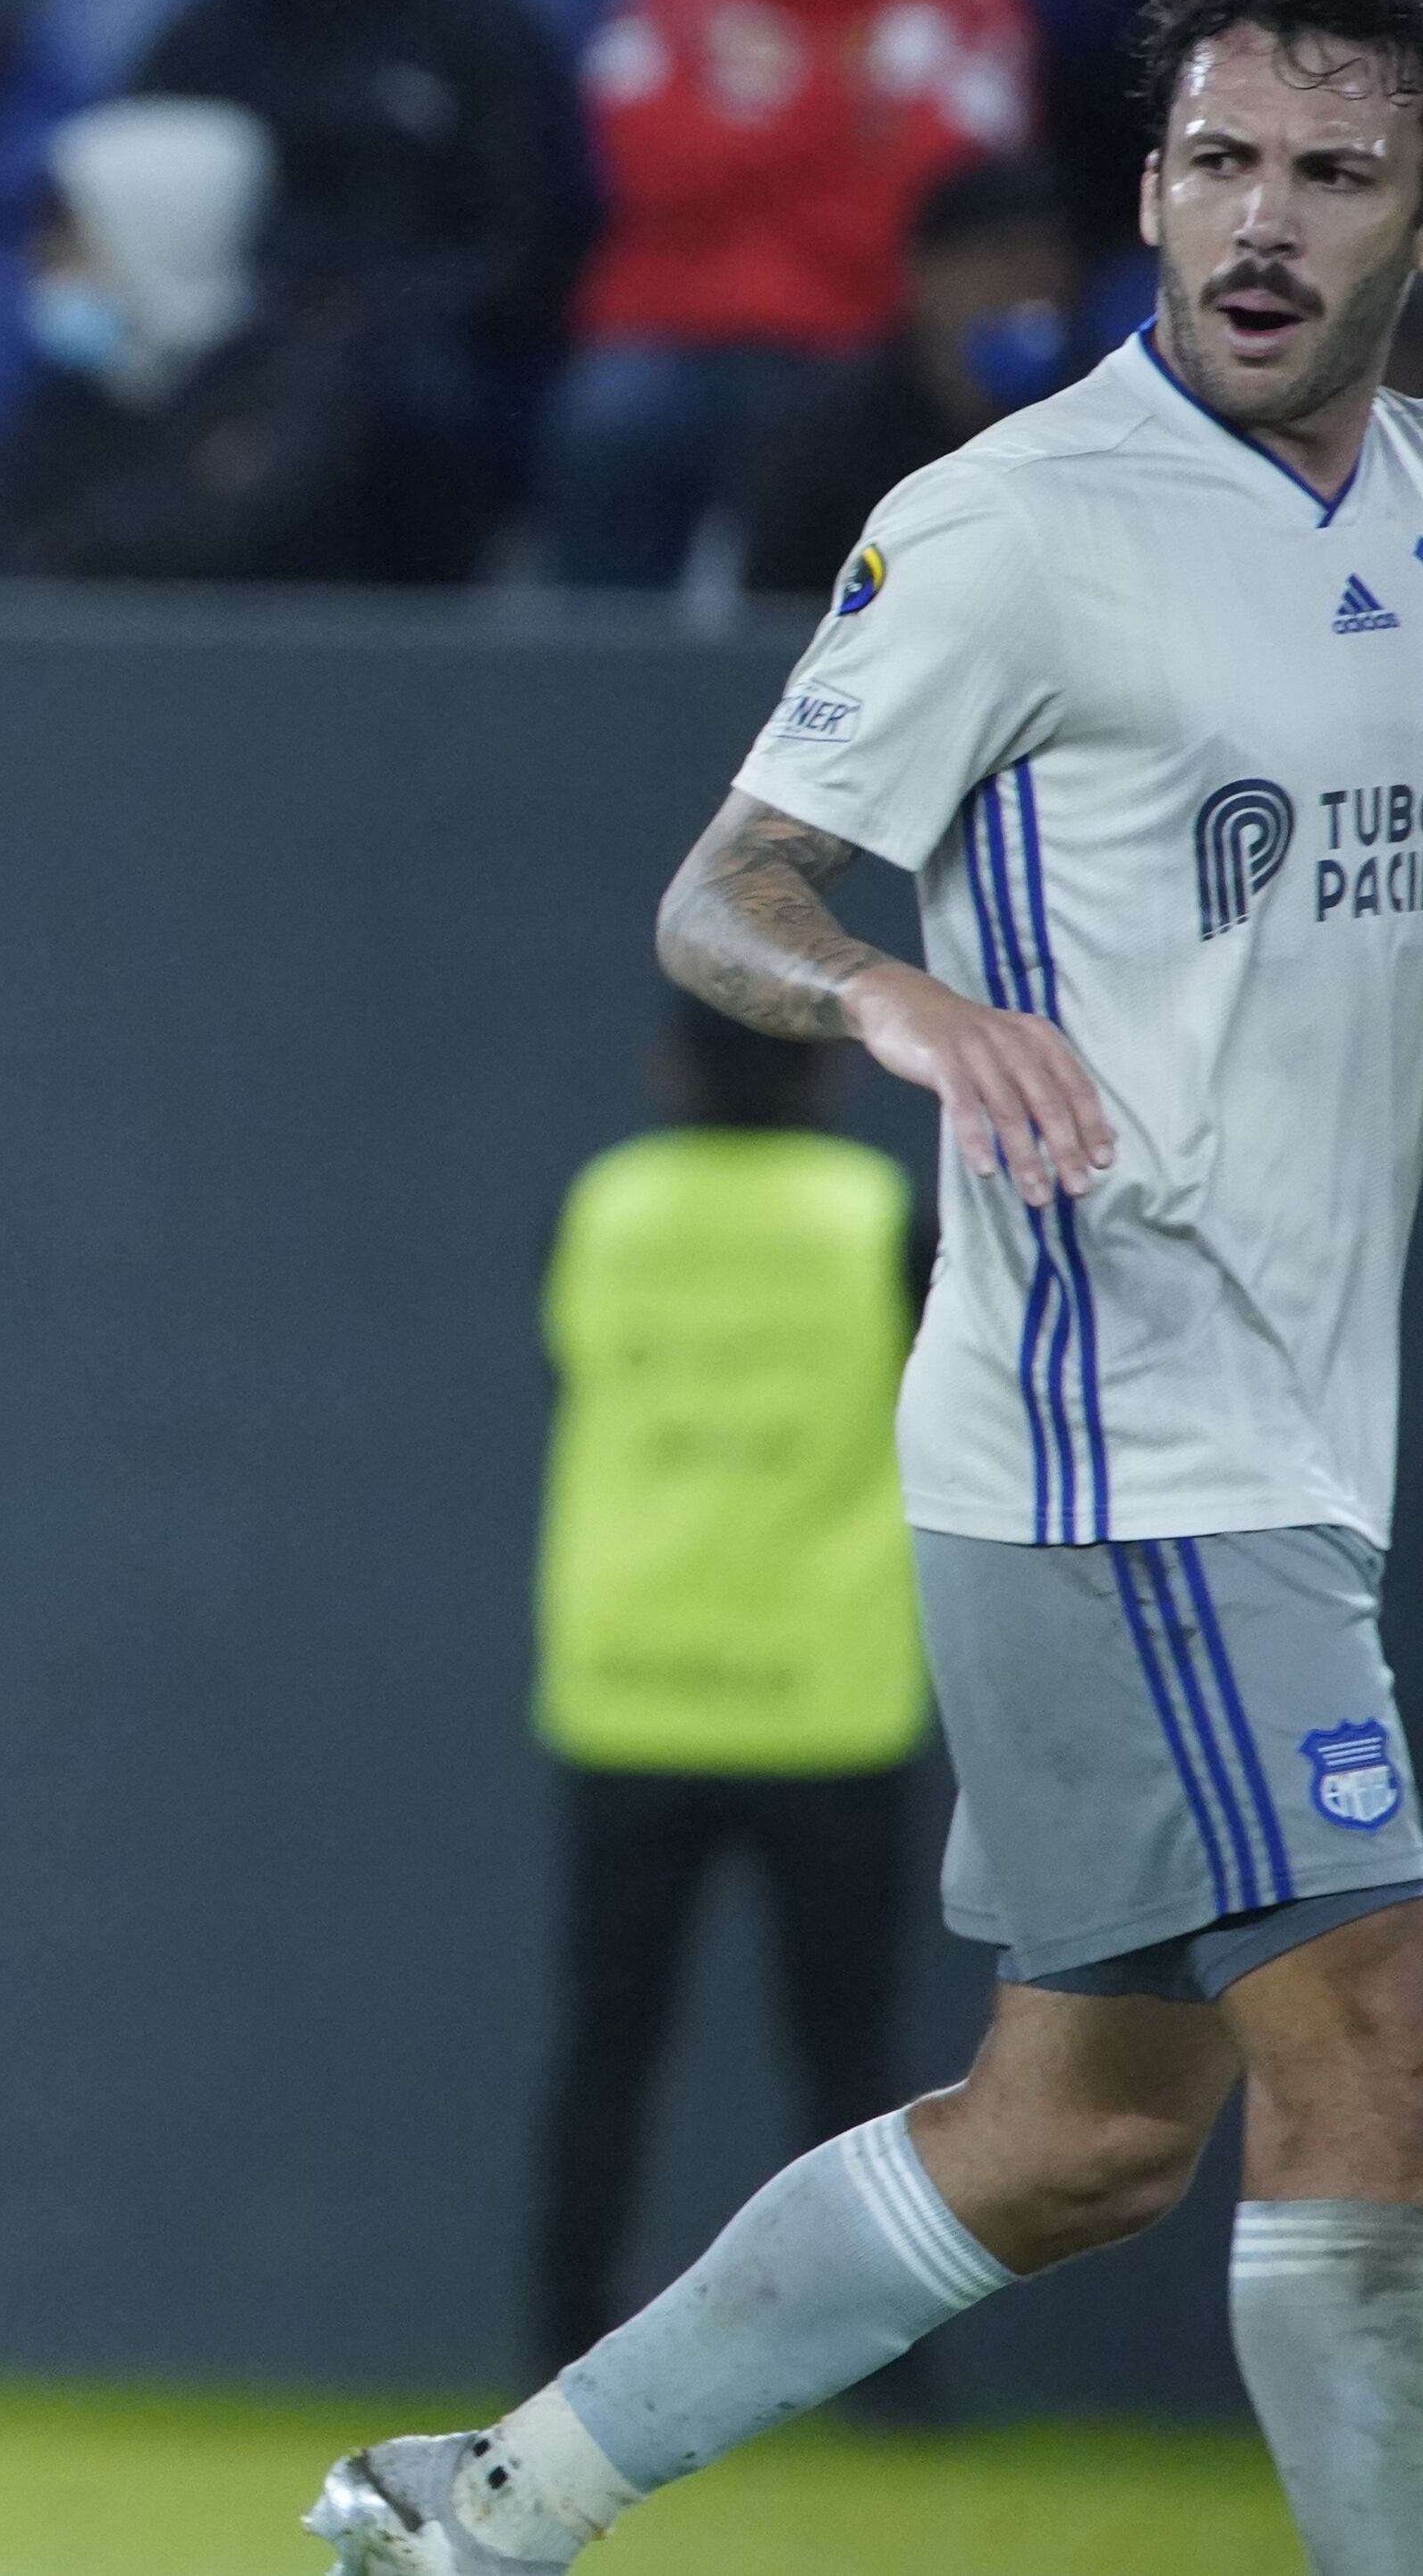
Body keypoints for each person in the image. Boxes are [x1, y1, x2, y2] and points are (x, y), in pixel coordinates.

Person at [309, 0, 1423, 2575]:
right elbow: (723, 892)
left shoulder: (1405, 511)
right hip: (1121, 1435)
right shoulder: (1010, 521)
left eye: (1332, 173)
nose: (1262, 223)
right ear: (1144, 192)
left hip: (1287, 1441)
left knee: (1075, 2140)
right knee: (1375, 2044)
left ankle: (495, 2502)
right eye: (1217, 164)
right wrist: (890, 994)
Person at [523, 998, 932, 2384]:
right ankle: (881, 2378)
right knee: (848, 2064)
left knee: (607, 2046)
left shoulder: (605, 1209)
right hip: (826, 1696)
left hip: (631, 1690)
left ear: (672, 1063)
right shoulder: (879, 1217)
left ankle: (560, 2347)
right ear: (826, 1069)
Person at [536, 0, 1036, 590]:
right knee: (609, 419)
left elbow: (941, 206)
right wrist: (845, 118)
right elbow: (641, 168)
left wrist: (749, 129)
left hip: (858, 337)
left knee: (852, 436)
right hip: (668, 329)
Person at [133, 0, 579, 580]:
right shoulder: (212, 30)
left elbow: (522, 237)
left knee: (421, 404)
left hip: (414, 332)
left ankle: (423, 628)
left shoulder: (480, 31)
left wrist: (383, 309)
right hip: (234, 321)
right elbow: (136, 191)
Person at [0, 96, 384, 586]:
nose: (40, 256)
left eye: (72, 234)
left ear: (158, 235)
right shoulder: (70, 393)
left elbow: (215, 551)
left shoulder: (301, 389)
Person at [736, 152, 1080, 597]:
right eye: (1003, 254)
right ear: (925, 270)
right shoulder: (833, 431)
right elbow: (777, 610)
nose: (1032, 282)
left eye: (1051, 255)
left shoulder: (1086, 418)